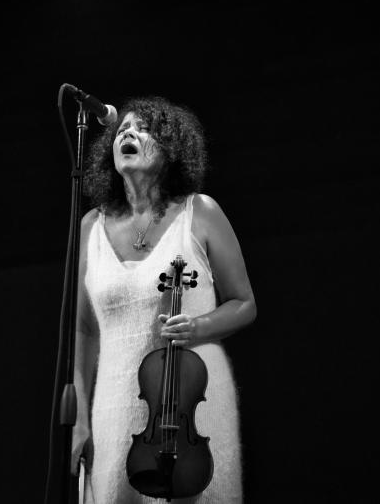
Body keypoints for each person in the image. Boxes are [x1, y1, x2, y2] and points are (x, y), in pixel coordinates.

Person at [71, 96, 256, 503]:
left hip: (192, 404)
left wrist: (199, 326)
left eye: (143, 128)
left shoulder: (200, 212)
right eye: (122, 130)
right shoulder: (91, 227)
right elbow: (83, 330)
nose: (128, 133)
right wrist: (80, 420)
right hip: (115, 406)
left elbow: (244, 302)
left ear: (171, 148)